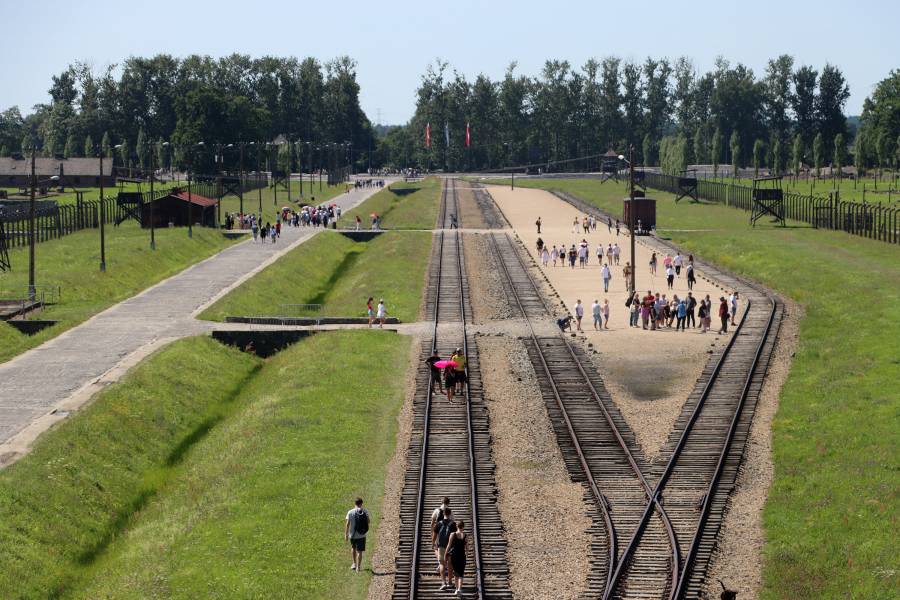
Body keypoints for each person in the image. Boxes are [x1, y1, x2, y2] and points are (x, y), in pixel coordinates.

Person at [432, 507, 457, 591]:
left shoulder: (439, 523)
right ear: (449, 514)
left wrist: (433, 543)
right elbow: (455, 536)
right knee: (450, 564)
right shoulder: (453, 524)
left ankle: (443, 582)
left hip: (441, 546)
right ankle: (450, 582)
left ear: (443, 514)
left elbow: (434, 535)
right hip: (450, 547)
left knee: (442, 564)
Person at [345, 497, 370, 572]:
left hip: (352, 534)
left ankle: (354, 564)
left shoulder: (350, 512)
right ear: (361, 504)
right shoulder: (365, 511)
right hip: (362, 534)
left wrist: (346, 534)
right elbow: (368, 521)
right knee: (360, 551)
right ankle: (358, 568)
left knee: (353, 548)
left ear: (355, 503)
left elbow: (347, 524)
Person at [446, 520, 469, 596]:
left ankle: (456, 589)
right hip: (462, 556)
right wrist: (467, 554)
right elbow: (467, 548)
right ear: (463, 526)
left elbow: (449, 545)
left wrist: (445, 553)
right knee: (461, 574)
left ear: (457, 526)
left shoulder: (453, 534)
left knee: (456, 573)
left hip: (454, 556)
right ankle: (459, 589)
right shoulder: (465, 535)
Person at [430, 497, 451, 572]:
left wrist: (432, 530)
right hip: (447, 533)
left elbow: (432, 522)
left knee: (436, 547)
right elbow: (452, 522)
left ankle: (440, 563)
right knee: (446, 547)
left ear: (441, 502)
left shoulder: (436, 510)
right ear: (448, 503)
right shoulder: (449, 511)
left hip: (438, 532)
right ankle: (443, 563)